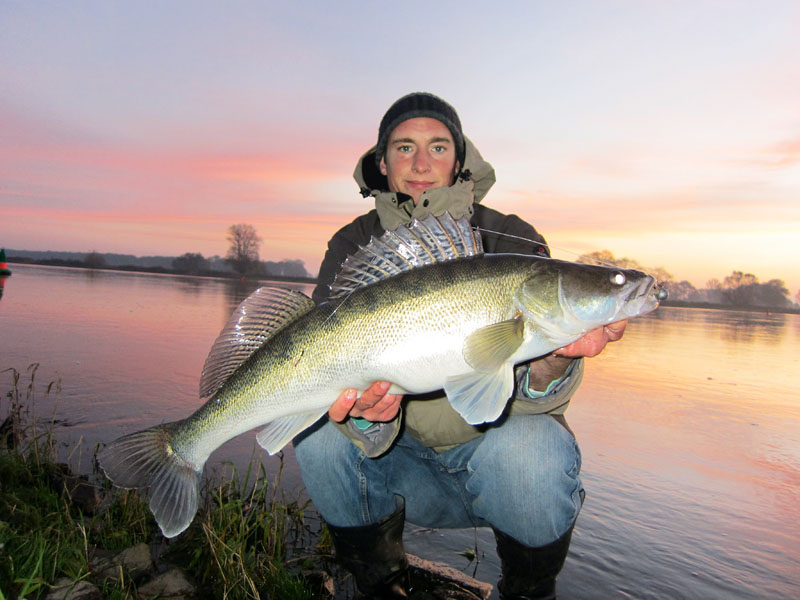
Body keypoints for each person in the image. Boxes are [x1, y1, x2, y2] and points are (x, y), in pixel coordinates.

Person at [293, 92, 627, 599]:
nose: (421, 163)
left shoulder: (511, 239)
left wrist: (556, 356)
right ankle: (380, 586)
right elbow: (322, 364)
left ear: (460, 157)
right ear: (382, 162)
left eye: (438, 147)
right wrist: (361, 415)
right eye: (404, 148)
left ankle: (527, 593)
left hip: (493, 471)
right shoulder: (352, 243)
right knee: (317, 433)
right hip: (393, 467)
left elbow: (535, 392)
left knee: (535, 451)